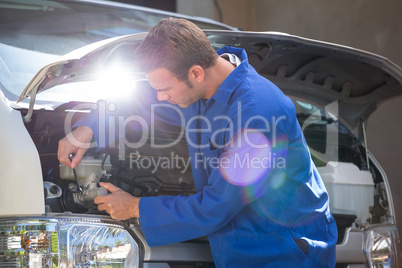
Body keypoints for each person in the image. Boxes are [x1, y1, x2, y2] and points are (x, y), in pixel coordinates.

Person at [58, 18, 337, 267]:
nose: (160, 98)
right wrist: (86, 128)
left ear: (196, 73)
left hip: (284, 252)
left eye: (165, 89)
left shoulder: (257, 115)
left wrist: (135, 207)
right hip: (237, 246)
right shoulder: (198, 85)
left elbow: (216, 206)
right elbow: (140, 96)